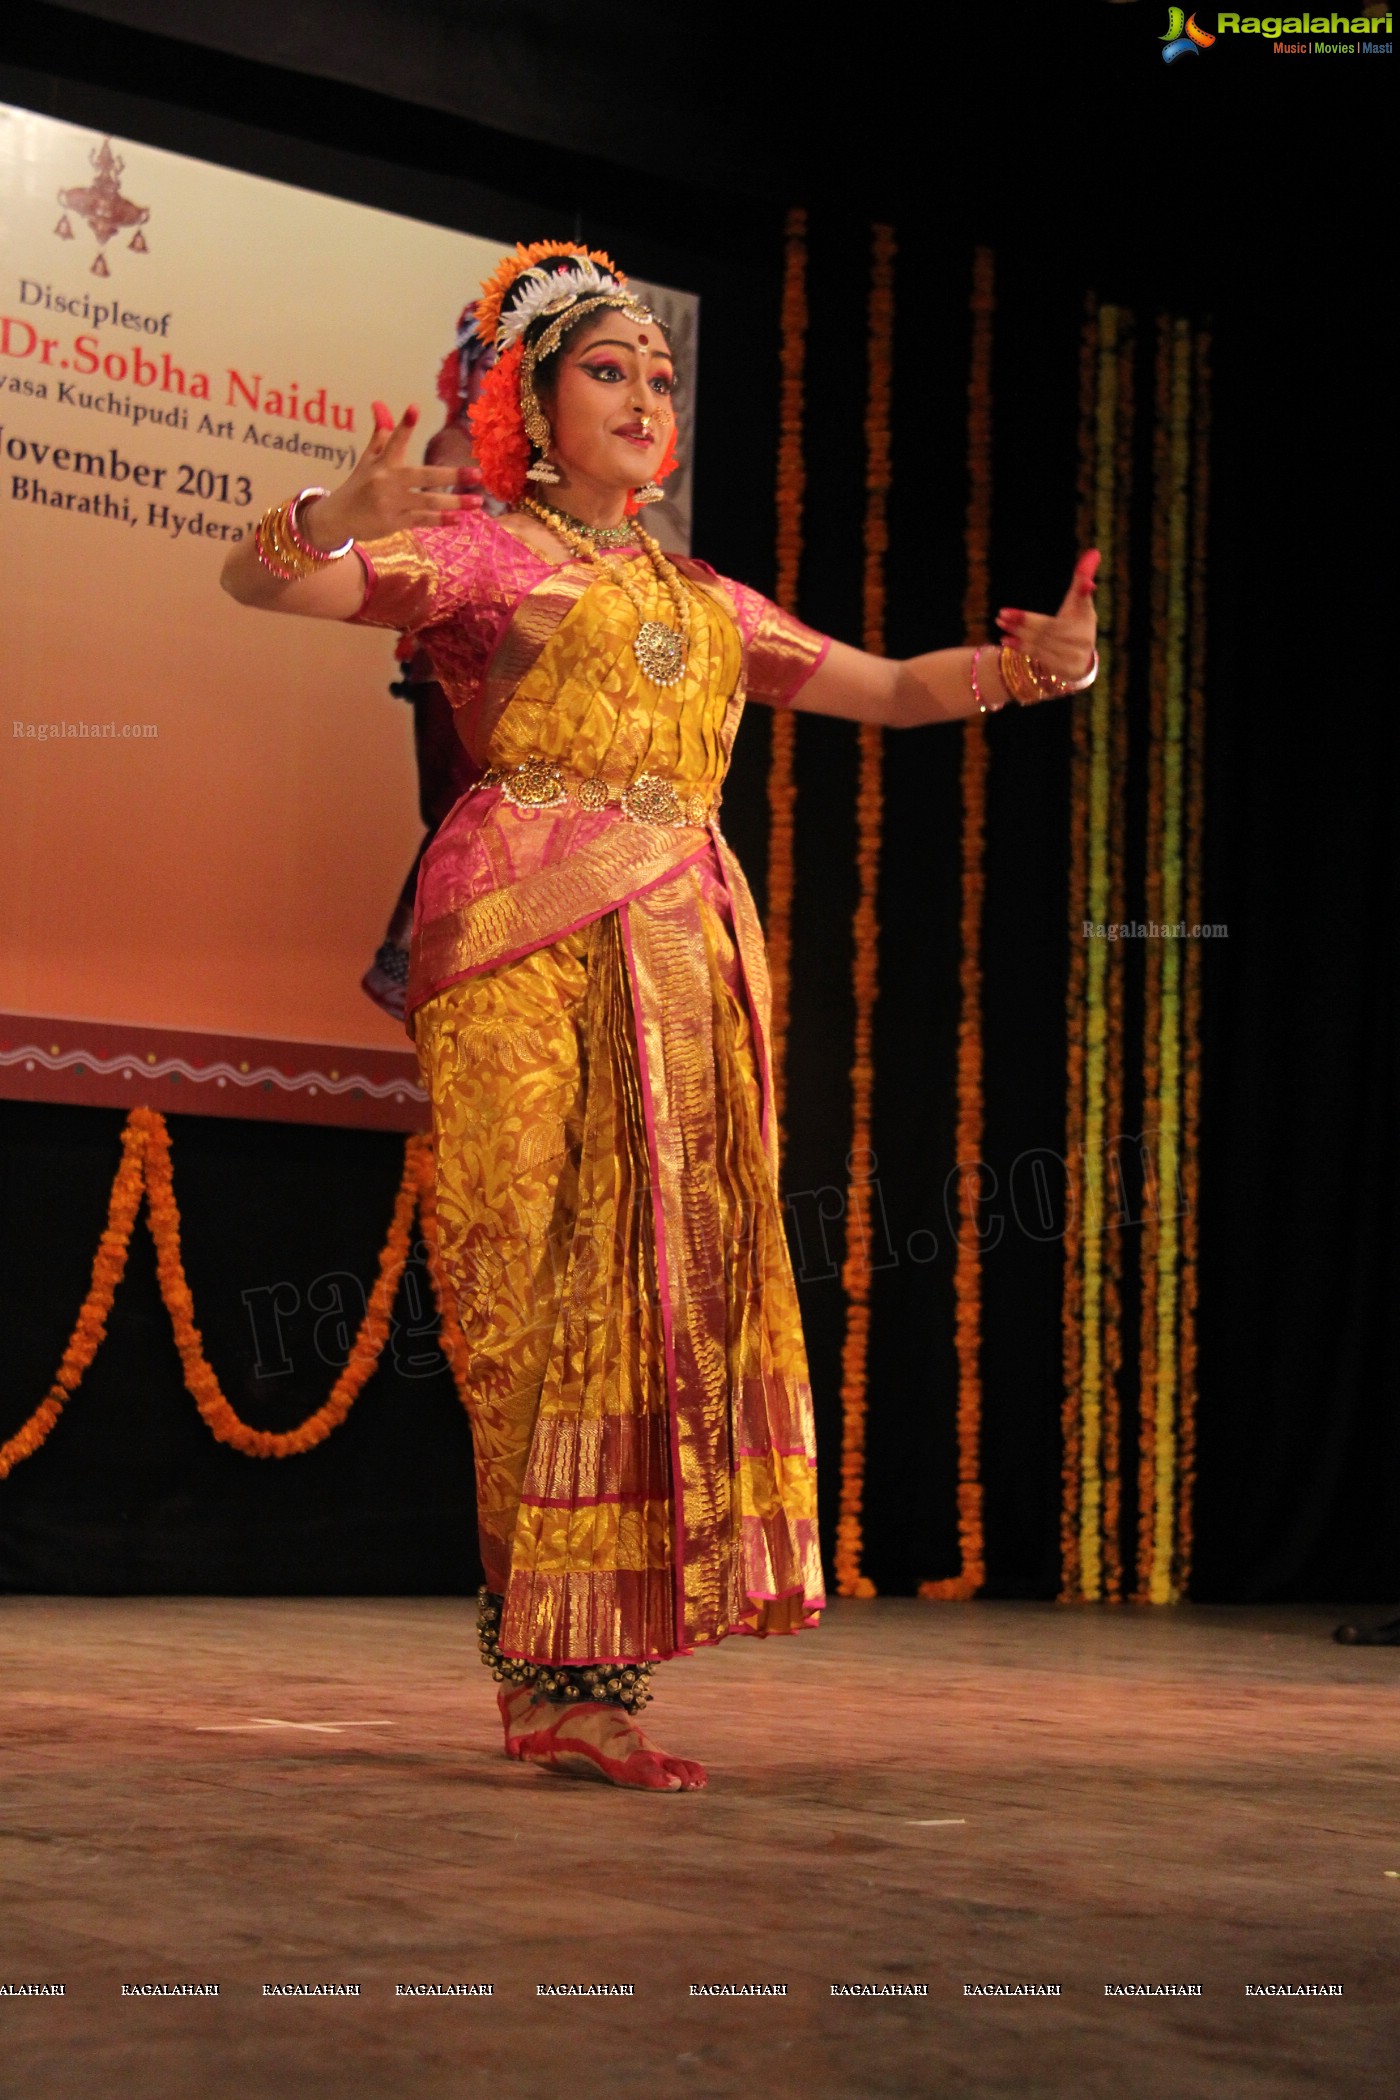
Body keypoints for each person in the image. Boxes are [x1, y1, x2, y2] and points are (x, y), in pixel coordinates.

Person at [220, 240, 1099, 1794]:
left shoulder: (701, 597)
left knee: (659, 1287)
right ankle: (546, 1668)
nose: (643, 394)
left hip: (684, 953)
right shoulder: (482, 555)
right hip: (515, 946)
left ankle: (590, 1678)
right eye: (607, 371)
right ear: (535, 410)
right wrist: (321, 523)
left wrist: (1038, 680)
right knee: (529, 1288)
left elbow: (892, 689)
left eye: (659, 373)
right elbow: (263, 585)